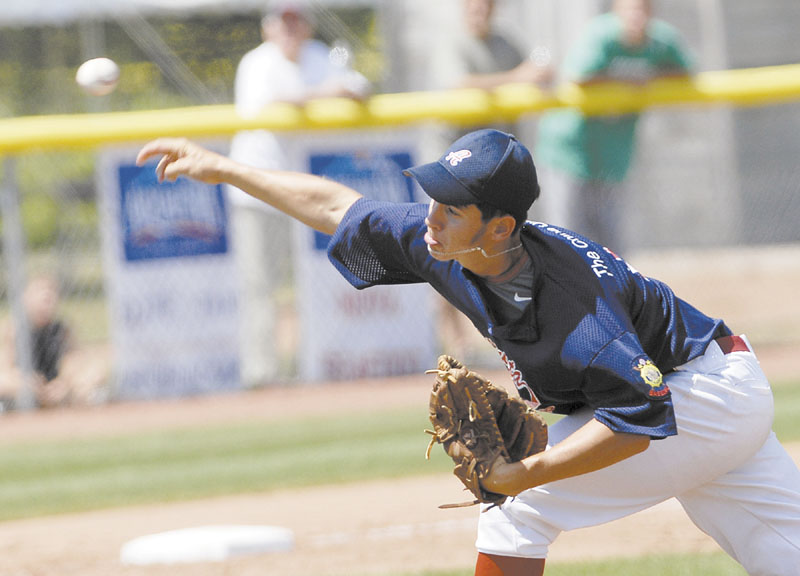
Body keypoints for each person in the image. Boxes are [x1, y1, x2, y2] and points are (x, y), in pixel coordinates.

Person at [136, 128, 800, 575]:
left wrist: (527, 475)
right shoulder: (447, 246)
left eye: (451, 210)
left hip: (695, 397)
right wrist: (222, 167)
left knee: (516, 510)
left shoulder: (577, 308)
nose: (431, 218)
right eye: (433, 200)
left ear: (500, 227)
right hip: (721, 385)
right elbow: (338, 206)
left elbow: (641, 421)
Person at [227, 0, 371, 387]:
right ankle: (262, 374)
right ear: (268, 28)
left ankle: (318, 364)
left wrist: (343, 87)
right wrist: (330, 90)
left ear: (307, 25)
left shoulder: (317, 55)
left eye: (296, 20)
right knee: (260, 286)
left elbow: (359, 85)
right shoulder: (256, 62)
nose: (290, 28)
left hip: (304, 191)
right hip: (256, 188)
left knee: (315, 281)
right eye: (283, 21)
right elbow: (277, 102)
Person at [427, 0, 552, 364]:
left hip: (496, 170)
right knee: (445, 252)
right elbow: (461, 86)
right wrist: (520, 77)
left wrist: (538, 74)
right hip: (455, 167)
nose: (479, 11)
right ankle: (458, 345)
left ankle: (519, 334)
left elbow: (538, 76)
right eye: (472, 6)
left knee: (515, 247)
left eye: (485, 5)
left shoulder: (505, 43)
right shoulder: (452, 43)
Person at [534, 0, 693, 251]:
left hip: (612, 154)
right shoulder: (601, 35)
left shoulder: (660, 41)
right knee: (568, 240)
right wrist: (628, 80)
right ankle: (571, 290)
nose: (636, 16)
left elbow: (686, 73)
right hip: (570, 151)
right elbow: (579, 77)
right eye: (630, 8)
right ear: (617, 9)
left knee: (611, 244)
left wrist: (649, 78)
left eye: (643, 8)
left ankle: (610, 291)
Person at [0, 274, 109, 410]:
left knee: (94, 375)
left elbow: (76, 360)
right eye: (40, 295)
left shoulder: (61, 329)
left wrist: (64, 384)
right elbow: (5, 369)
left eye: (51, 296)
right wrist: (25, 382)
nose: (46, 300)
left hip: (56, 387)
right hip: (26, 387)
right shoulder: (14, 328)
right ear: (26, 298)